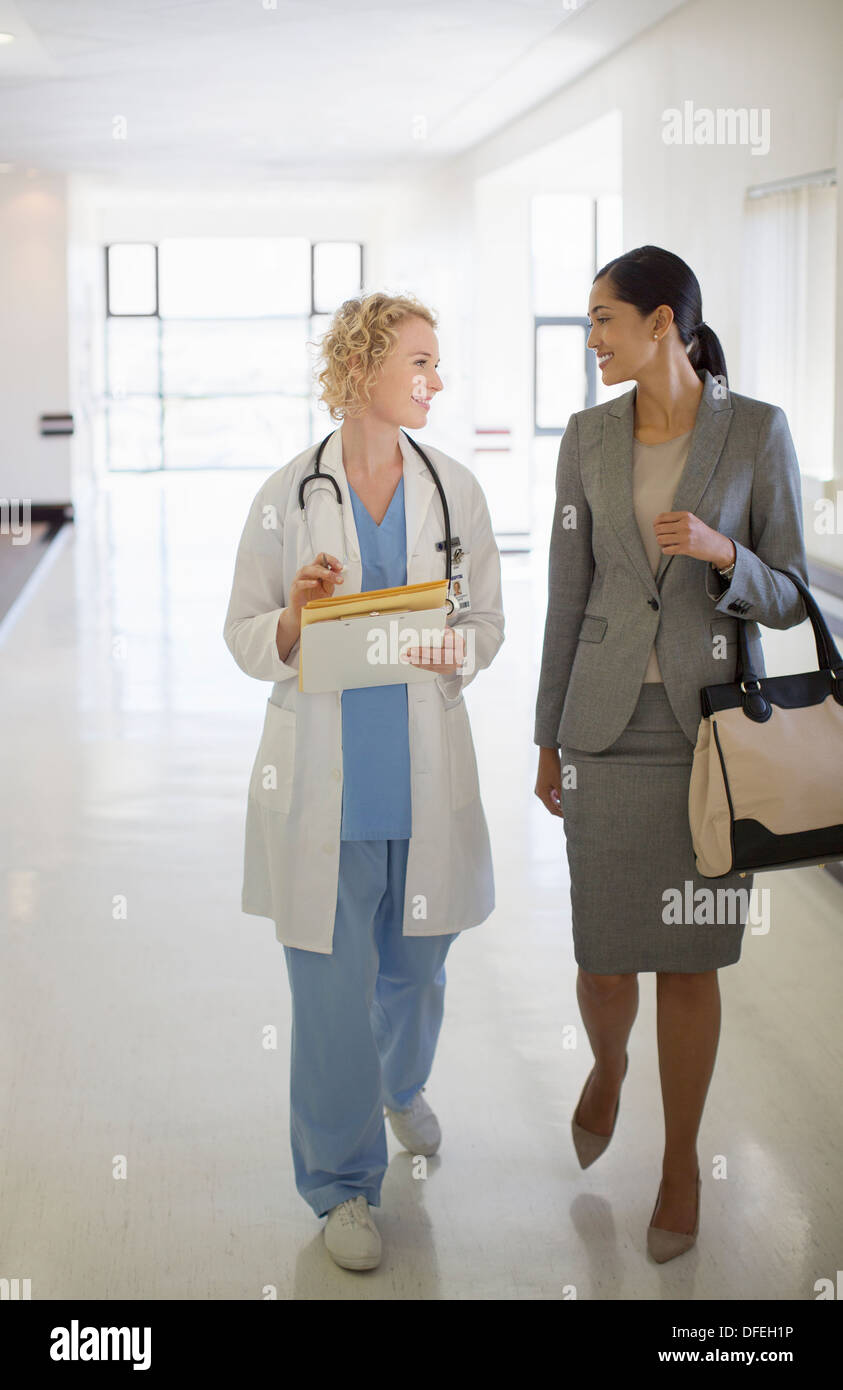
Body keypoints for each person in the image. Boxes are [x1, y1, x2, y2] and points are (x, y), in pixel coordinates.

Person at [533, 245, 809, 1263]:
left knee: (690, 964)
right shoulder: (587, 434)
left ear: (664, 324)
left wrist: (724, 552)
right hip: (603, 730)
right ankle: (609, 1066)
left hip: (710, 741)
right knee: (605, 961)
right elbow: (569, 588)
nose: (592, 337)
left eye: (604, 317)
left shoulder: (757, 432)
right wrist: (545, 736)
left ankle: (681, 1158)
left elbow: (794, 593)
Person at [223, 291, 504, 1271]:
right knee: (332, 997)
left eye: (436, 360)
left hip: (425, 783)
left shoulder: (455, 489)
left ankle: (400, 1081)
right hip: (326, 793)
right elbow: (246, 637)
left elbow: (486, 628)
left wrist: (444, 643)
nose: (438, 379)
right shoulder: (285, 493)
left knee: (416, 975)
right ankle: (341, 1187)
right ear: (362, 369)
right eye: (421, 361)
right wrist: (295, 617)